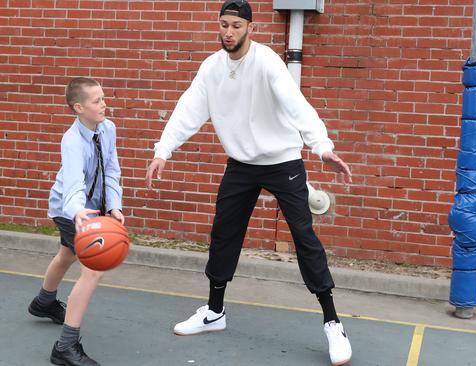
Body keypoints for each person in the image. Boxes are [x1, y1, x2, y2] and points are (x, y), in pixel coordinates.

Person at [144, 1, 352, 364]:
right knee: (224, 234)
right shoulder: (211, 68)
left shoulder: (267, 61)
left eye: (236, 26)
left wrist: (322, 147)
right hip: (241, 164)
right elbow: (188, 108)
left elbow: (296, 105)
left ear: (250, 29)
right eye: (223, 24)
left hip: (282, 160)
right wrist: (164, 150)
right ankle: (214, 312)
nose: (228, 32)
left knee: (304, 238)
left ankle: (333, 322)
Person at [28, 77, 124, 366]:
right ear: (78, 107)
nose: (104, 104)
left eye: (104, 98)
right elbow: (72, 183)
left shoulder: (108, 129)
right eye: (97, 101)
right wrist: (78, 212)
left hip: (93, 209)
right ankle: (65, 346)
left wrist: (115, 207)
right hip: (70, 208)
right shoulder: (71, 141)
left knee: (67, 254)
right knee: (94, 269)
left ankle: (44, 302)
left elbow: (111, 170)